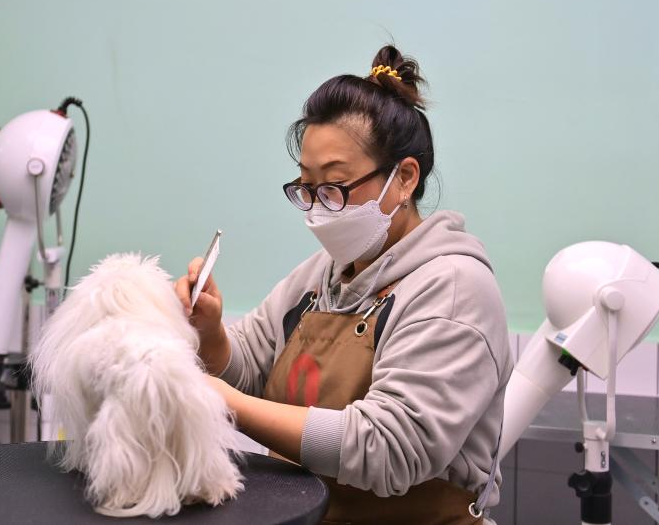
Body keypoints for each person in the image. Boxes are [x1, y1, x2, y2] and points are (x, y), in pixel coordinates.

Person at [175, 45, 513, 524]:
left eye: (335, 187)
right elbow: (250, 366)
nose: (318, 207)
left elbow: (389, 449)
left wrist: (228, 404)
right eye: (307, 188)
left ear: (404, 178)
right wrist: (210, 335)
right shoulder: (322, 275)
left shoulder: (454, 290)